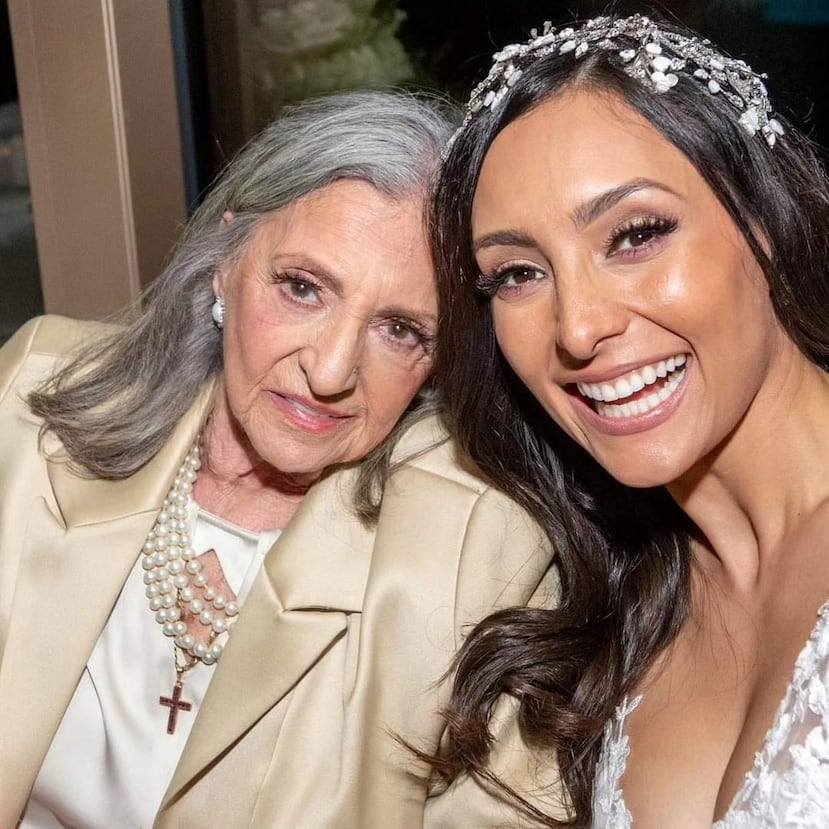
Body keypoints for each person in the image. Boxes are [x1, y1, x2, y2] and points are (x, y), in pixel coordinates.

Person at [0, 89, 556, 829]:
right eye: (302, 287)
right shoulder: (39, 392)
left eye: (399, 329)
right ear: (225, 264)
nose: (329, 370)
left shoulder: (480, 549)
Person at [431, 12, 829, 828]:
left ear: (762, 219)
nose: (577, 328)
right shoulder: (633, 604)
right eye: (516, 274)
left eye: (635, 234)